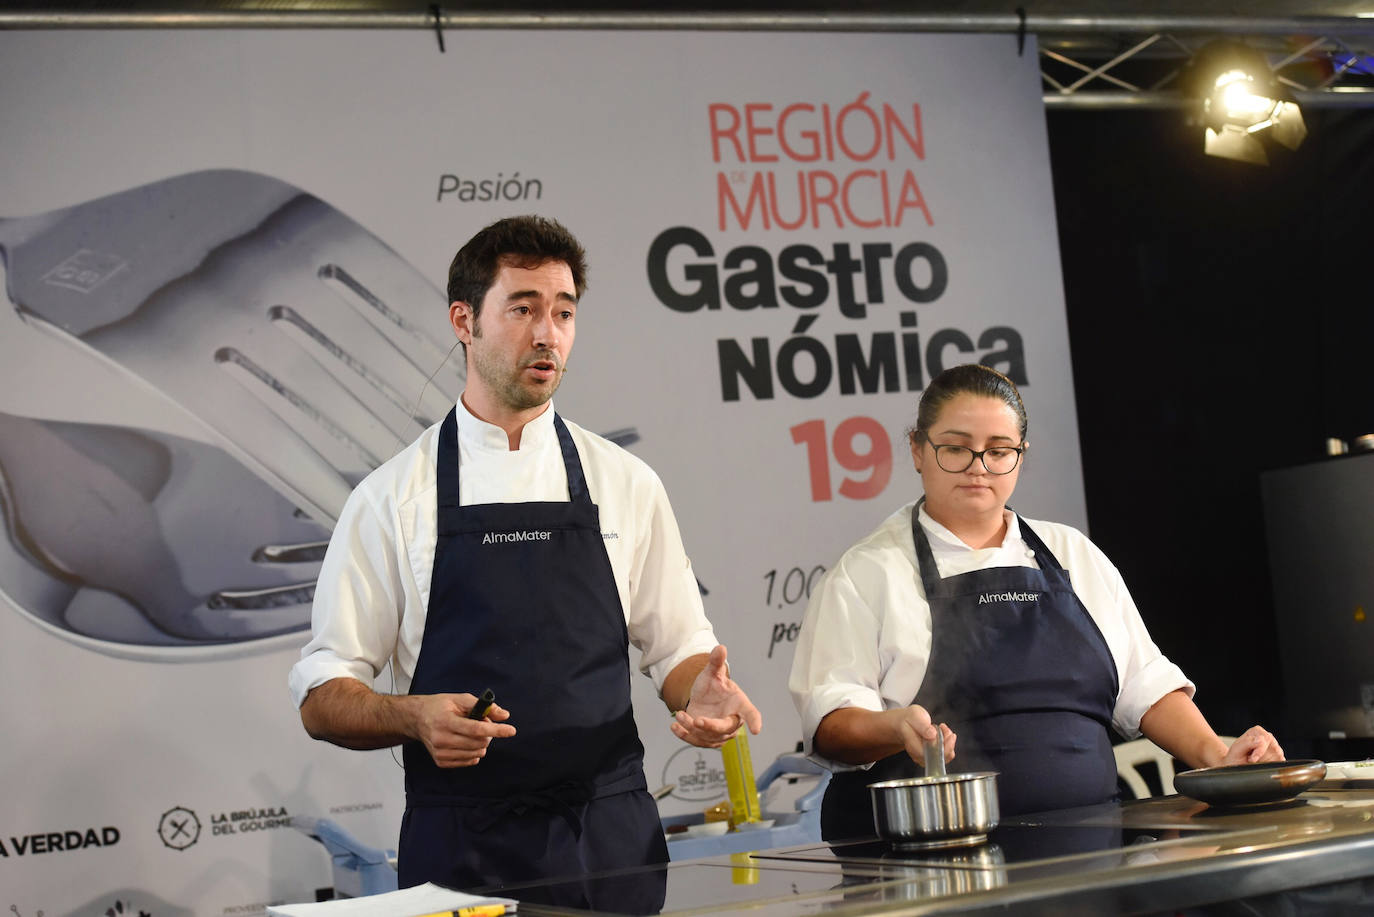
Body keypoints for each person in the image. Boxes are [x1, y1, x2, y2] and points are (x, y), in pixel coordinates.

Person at [289, 215, 761, 895]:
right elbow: (322, 694)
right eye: (523, 308)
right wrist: (410, 716)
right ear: (464, 320)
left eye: (564, 312)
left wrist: (702, 690)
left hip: (611, 840)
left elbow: (676, 647)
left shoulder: (626, 482)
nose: (548, 334)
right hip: (465, 851)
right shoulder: (390, 499)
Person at [788, 363, 1282, 841]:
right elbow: (832, 725)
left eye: (998, 451)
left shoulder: (1071, 554)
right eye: (955, 449)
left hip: (1086, 850)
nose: (978, 468)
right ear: (917, 449)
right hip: (926, 857)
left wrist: (1219, 758)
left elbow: (1145, 686)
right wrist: (894, 727)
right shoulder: (869, 571)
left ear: (1020, 455)